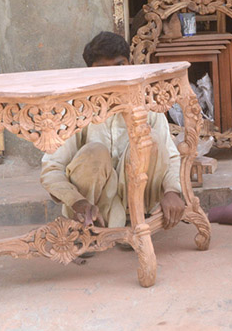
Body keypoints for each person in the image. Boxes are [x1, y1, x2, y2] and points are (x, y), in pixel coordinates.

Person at [40, 31, 185, 231]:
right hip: (93, 212)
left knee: (150, 139)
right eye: (102, 69)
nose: (113, 76)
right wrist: (76, 201)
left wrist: (173, 192)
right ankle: (84, 227)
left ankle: (136, 220)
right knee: (94, 152)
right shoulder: (75, 108)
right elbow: (51, 169)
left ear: (129, 64)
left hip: (140, 210)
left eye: (119, 66)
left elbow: (171, 156)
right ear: (89, 71)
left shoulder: (145, 103)